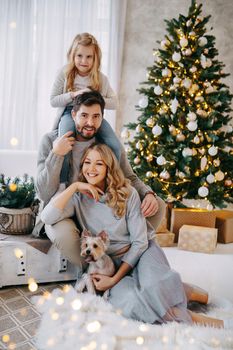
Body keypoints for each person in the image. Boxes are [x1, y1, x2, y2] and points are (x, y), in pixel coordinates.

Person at [41, 143, 232, 329]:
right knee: (133, 303)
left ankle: (215, 311)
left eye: (99, 163)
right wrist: (74, 187)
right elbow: (46, 216)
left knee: (155, 287)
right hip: (109, 262)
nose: (91, 168)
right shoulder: (77, 198)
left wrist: (114, 280)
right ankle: (203, 316)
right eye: (87, 162)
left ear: (109, 168)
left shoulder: (128, 193)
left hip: (142, 253)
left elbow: (140, 242)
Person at [35, 90, 164, 273]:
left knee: (157, 204)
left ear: (102, 117)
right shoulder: (50, 141)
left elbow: (129, 176)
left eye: (96, 116)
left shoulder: (108, 144)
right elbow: (43, 192)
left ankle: (128, 258)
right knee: (63, 234)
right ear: (73, 115)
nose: (90, 123)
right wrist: (56, 154)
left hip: (97, 207)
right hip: (65, 206)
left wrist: (148, 193)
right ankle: (95, 272)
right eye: (84, 116)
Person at [50, 32, 120, 183]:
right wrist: (74, 95)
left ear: (96, 59)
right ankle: (63, 182)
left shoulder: (101, 78)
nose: (84, 61)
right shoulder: (65, 74)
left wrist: (95, 96)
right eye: (80, 56)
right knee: (65, 141)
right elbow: (53, 100)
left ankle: (113, 181)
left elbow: (114, 103)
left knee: (115, 144)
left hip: (94, 115)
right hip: (70, 112)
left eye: (89, 57)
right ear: (72, 55)